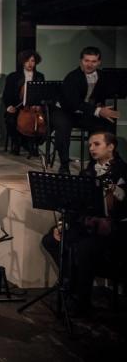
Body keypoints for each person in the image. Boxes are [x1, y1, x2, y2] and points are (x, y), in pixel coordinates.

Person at [41, 131, 127, 316]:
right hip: (88, 225)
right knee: (51, 239)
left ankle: (82, 300)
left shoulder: (123, 170)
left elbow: (121, 205)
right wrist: (62, 225)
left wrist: (112, 189)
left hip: (114, 229)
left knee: (83, 248)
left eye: (97, 144)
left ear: (111, 147)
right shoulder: (88, 171)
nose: (91, 148)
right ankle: (70, 283)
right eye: (90, 145)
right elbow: (75, 205)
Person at [51, 46, 118, 174]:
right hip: (65, 111)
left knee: (105, 125)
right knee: (63, 127)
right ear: (81, 61)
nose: (89, 64)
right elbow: (74, 103)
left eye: (93, 61)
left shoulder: (102, 76)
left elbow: (102, 95)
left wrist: (101, 107)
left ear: (99, 62)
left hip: (86, 112)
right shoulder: (72, 77)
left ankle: (95, 165)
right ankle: (64, 165)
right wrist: (98, 111)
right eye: (86, 60)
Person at [2, 49, 46, 156]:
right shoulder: (13, 76)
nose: (30, 64)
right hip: (18, 107)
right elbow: (6, 95)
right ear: (22, 62)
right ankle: (16, 143)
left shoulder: (40, 76)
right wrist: (9, 106)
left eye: (32, 61)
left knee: (45, 121)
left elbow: (42, 94)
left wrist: (39, 104)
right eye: (27, 61)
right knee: (11, 119)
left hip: (34, 108)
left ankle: (34, 144)